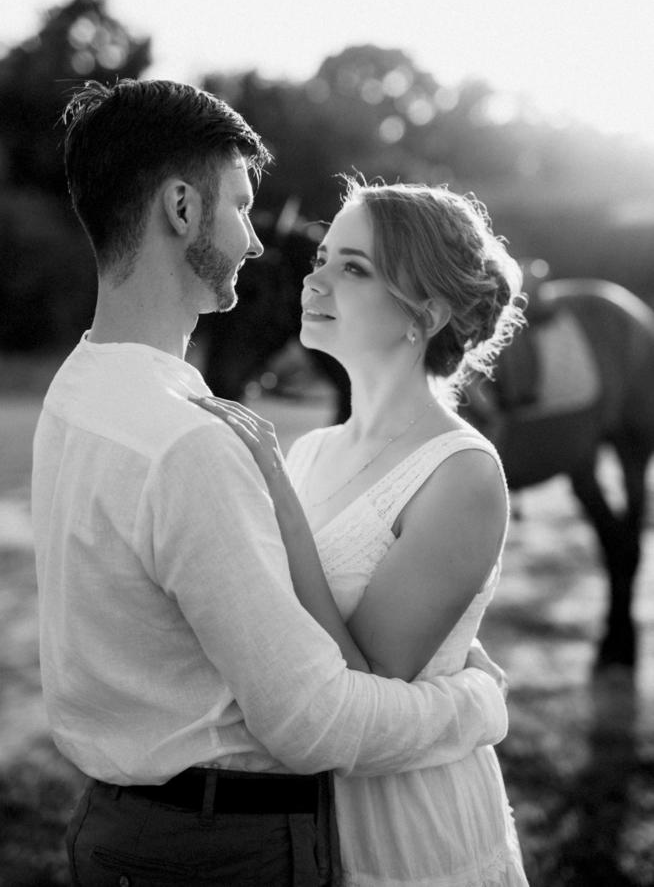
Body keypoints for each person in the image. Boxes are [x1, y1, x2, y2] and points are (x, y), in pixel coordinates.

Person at [32, 79, 510, 887]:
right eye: (242, 206)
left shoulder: (81, 392)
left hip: (188, 827)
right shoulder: (197, 442)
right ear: (181, 209)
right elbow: (315, 719)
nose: (259, 244)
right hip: (223, 845)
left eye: (348, 265)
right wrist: (478, 705)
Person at [194, 178, 529, 885]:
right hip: (297, 827)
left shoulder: (461, 474)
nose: (315, 280)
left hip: (411, 832)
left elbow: (364, 685)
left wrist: (276, 498)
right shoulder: (314, 449)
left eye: (354, 267)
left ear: (425, 313)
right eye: (323, 258)